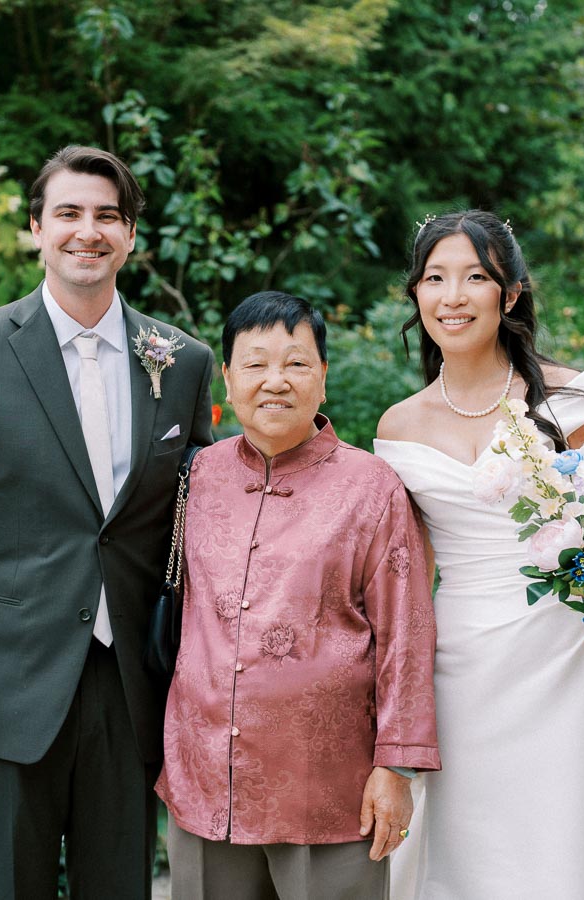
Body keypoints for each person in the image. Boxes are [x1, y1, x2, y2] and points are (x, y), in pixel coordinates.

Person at [0, 144, 215, 900]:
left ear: (131, 235)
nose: (89, 231)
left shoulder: (180, 361)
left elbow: (199, 524)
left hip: (133, 687)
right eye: (69, 214)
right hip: (6, 691)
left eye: (108, 216)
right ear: (36, 229)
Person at [374, 210, 584, 899]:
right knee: (462, 857)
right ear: (416, 294)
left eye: (475, 277)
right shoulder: (398, 425)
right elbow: (407, 574)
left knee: (560, 856)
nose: (453, 296)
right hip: (458, 665)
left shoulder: (577, 400)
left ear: (512, 293)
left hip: (564, 663)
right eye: (435, 278)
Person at [157, 291, 440, 900]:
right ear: (228, 380)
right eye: (256, 365)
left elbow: (407, 634)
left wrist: (396, 766)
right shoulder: (196, 477)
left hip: (328, 790)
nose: (275, 381)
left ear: (323, 378)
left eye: (296, 363)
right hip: (205, 779)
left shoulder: (371, 488)